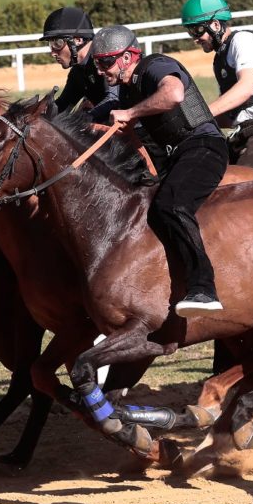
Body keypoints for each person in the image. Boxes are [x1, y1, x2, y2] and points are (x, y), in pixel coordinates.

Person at [92, 25, 229, 316]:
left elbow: (175, 94)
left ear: (128, 57)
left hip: (204, 146)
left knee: (172, 204)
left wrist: (130, 114)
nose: (102, 70)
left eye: (106, 62)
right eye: (97, 63)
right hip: (174, 158)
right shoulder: (126, 92)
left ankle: (204, 289)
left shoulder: (156, 65)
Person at [181, 0, 253, 172]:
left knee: (240, 190)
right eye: (191, 32)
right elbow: (228, 114)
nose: (195, 39)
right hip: (240, 134)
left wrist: (201, 113)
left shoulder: (244, 40)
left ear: (215, 25)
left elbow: (246, 88)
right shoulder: (220, 59)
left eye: (198, 31)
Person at [42, 6, 118, 121]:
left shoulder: (106, 59)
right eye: (50, 44)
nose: (53, 53)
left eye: (57, 43)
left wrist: (82, 120)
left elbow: (113, 99)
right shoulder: (77, 72)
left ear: (78, 40)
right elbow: (62, 105)